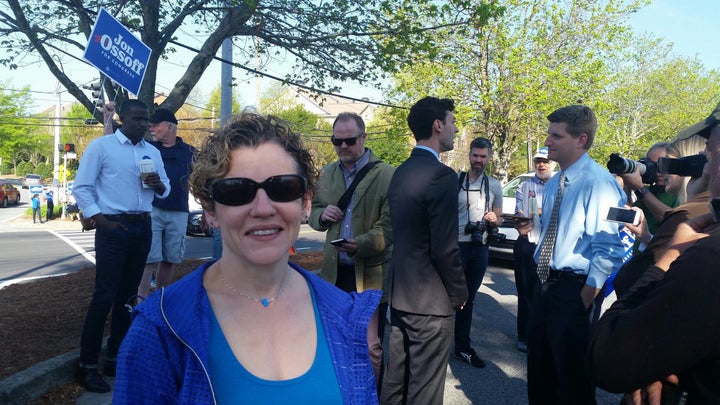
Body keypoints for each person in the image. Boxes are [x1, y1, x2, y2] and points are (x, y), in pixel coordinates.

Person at [113, 112, 381, 404]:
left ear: (305, 202)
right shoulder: (160, 332)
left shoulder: (346, 315)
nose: (263, 208)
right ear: (210, 209)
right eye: (237, 190)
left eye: (283, 187)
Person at [588, 121, 720, 404]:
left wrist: (667, 258)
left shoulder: (699, 231)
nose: (659, 171)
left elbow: (611, 354)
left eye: (712, 154)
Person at [527, 104, 626, 404]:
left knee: (572, 384)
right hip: (543, 285)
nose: (547, 142)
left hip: (572, 291)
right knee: (541, 378)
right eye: (548, 134)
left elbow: (609, 248)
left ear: (581, 140)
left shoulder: (599, 183)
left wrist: (585, 297)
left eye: (556, 136)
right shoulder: (556, 180)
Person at [73, 100, 170, 393]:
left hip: (143, 226)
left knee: (128, 297)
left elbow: (166, 189)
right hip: (113, 226)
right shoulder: (101, 148)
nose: (143, 123)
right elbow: (82, 188)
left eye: (146, 119)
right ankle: (86, 366)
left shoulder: (152, 152)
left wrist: (157, 184)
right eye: (137, 118)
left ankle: (115, 358)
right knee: (104, 296)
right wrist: (101, 222)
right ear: (121, 118)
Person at [381, 96, 468, 404]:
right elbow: (444, 247)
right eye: (453, 123)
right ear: (437, 125)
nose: (456, 130)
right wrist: (460, 292)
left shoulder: (400, 171)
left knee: (395, 382)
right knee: (425, 391)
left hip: (400, 295)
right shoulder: (441, 176)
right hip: (430, 302)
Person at [308, 112, 394, 385]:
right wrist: (321, 216)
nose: (343, 146)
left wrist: (363, 244)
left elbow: (390, 227)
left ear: (364, 138)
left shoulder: (387, 174)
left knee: (370, 348)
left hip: (369, 275)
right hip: (334, 275)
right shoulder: (327, 174)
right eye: (337, 141)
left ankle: (369, 396)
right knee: (334, 343)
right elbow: (313, 212)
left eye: (349, 140)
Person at [137, 108, 196, 300]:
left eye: (156, 124)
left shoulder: (190, 153)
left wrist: (209, 209)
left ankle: (160, 300)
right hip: (151, 210)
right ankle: (140, 303)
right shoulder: (146, 149)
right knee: (148, 259)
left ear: (170, 127)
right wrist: (107, 118)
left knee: (171, 258)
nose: (151, 128)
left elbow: (203, 180)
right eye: (150, 125)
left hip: (178, 211)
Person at [453, 136, 502, 367]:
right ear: (469, 155)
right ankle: (437, 344)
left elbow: (499, 216)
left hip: (480, 246)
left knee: (468, 299)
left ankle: (462, 347)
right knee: (448, 296)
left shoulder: (494, 184)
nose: (478, 160)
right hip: (456, 246)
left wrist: (494, 218)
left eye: (483, 157)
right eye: (475, 155)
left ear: (488, 158)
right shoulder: (455, 180)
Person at [512, 147, 555, 353]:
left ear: (552, 163)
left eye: (545, 161)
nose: (541, 164)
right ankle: (524, 336)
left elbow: (559, 212)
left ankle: (545, 335)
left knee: (550, 293)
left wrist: (536, 210)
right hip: (527, 243)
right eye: (538, 160)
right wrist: (540, 211)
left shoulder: (561, 184)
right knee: (526, 292)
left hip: (553, 246)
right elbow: (523, 214)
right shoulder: (524, 185)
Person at [620, 142, 679, 252]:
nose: (657, 172)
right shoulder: (653, 191)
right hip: (640, 257)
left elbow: (671, 219)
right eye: (651, 165)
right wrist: (628, 187)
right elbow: (629, 217)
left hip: (659, 258)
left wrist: (640, 188)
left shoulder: (680, 191)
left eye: (662, 165)